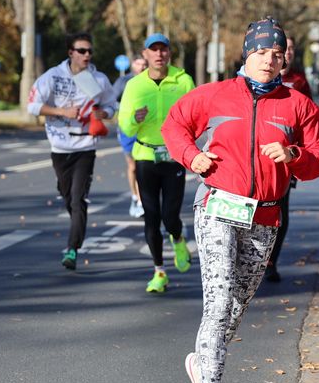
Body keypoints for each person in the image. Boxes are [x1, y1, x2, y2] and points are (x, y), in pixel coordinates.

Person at [161, 17, 319, 383]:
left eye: (276, 55)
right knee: (219, 302)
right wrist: (194, 156)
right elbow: (175, 126)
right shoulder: (215, 95)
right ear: (246, 54)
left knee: (237, 303)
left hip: (265, 218)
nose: (268, 61)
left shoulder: (298, 105)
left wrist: (295, 155)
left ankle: (200, 360)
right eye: (260, 53)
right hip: (218, 207)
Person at [27, 32, 117, 270]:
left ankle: (72, 249)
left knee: (77, 199)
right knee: (67, 196)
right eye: (82, 51)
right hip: (59, 146)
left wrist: (104, 114)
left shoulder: (98, 79)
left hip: (86, 146)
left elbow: (111, 104)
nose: (87, 55)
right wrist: (61, 112)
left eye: (90, 51)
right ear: (70, 53)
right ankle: (75, 214)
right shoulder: (53, 77)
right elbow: (33, 106)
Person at [118, 33, 195, 293]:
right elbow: (124, 125)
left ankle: (178, 237)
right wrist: (135, 119)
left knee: (169, 215)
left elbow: (196, 116)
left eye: (163, 50)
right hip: (145, 157)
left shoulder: (183, 81)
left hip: (173, 157)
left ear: (169, 54)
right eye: (154, 50)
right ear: (145, 54)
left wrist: (189, 144)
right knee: (150, 217)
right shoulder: (135, 85)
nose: (159, 54)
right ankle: (159, 272)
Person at [264, 35, 314, 283]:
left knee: (279, 210)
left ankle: (271, 261)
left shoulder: (299, 82)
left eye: (292, 49)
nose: (289, 53)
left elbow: (308, 122)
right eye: (285, 48)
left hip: (286, 157)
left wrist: (298, 156)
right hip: (259, 156)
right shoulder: (260, 77)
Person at [112, 54, 148, 218]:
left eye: (143, 64)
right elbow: (111, 100)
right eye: (138, 63)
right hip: (127, 128)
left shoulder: (151, 81)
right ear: (132, 64)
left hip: (146, 129)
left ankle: (143, 200)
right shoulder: (124, 81)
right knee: (133, 165)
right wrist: (124, 106)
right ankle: (135, 197)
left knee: (144, 165)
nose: (140, 67)